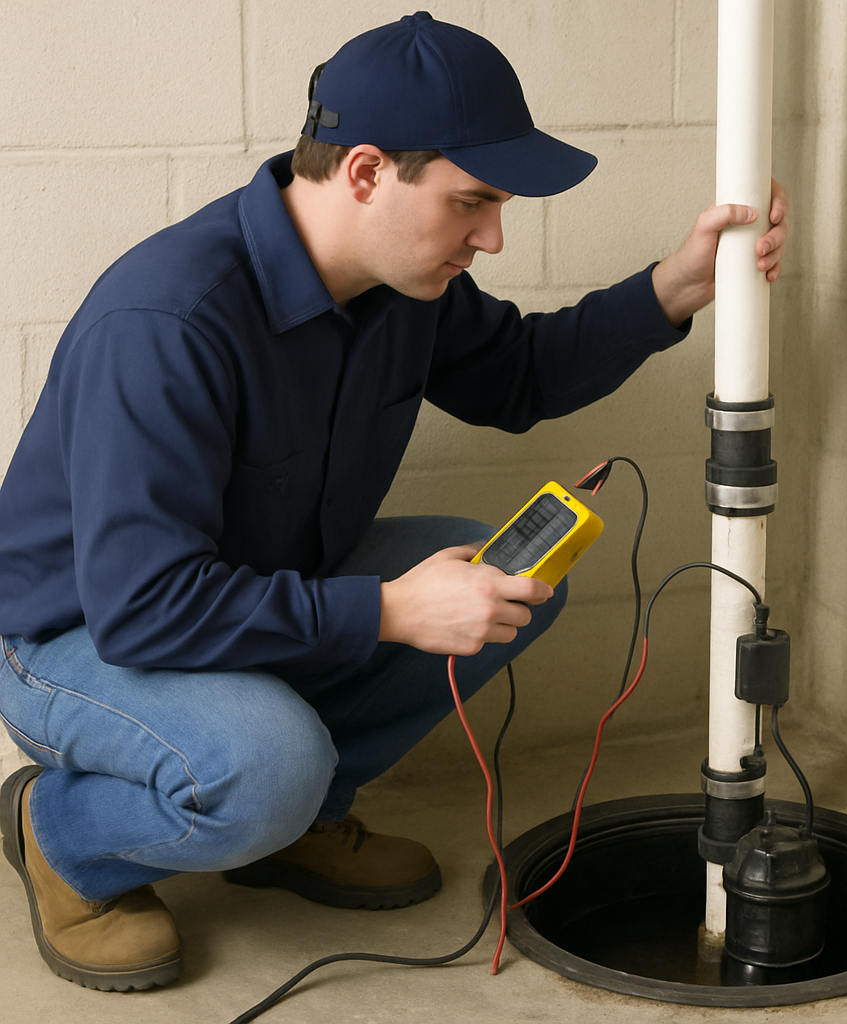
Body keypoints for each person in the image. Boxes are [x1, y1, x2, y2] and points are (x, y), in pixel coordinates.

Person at [0, 11, 788, 992]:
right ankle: (63, 837)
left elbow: (519, 377)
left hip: (251, 593)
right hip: (80, 643)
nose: (492, 237)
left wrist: (673, 286)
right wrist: (390, 610)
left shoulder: (401, 284)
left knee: (500, 574)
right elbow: (142, 605)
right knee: (266, 761)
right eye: (472, 202)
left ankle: (289, 824)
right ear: (366, 172)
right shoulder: (170, 322)